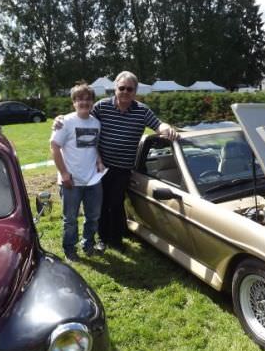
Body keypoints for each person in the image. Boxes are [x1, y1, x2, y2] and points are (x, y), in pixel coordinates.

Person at [54, 71, 177, 253]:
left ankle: (116, 238)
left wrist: (168, 128)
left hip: (123, 168)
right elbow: (82, 113)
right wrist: (59, 119)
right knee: (102, 205)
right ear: (115, 89)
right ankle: (103, 239)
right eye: (122, 88)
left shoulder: (142, 110)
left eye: (130, 89)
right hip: (100, 167)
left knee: (116, 202)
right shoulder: (102, 106)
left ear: (135, 91)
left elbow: (158, 125)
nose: (125, 92)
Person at [50, 83, 105, 262]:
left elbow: (93, 145)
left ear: (92, 102)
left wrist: (99, 161)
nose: (84, 102)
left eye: (88, 99)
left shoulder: (96, 123)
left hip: (93, 181)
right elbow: (54, 146)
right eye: (80, 99)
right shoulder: (65, 122)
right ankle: (69, 249)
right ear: (73, 102)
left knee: (93, 216)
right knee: (70, 219)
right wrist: (64, 173)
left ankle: (88, 245)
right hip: (71, 182)